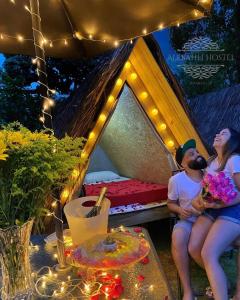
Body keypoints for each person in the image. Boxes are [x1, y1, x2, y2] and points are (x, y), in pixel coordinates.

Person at [188, 128, 240, 300]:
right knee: (194, 248)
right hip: (214, 208)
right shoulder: (212, 163)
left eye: (224, 134)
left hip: (233, 208)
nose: (218, 134)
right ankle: (222, 282)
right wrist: (199, 201)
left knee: (208, 253)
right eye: (218, 132)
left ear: (232, 141)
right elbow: (204, 191)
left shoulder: (234, 160)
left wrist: (222, 203)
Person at [167, 139, 207, 300]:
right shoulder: (176, 181)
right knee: (178, 236)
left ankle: (216, 277)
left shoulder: (211, 174)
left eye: (197, 152)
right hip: (188, 220)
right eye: (191, 154)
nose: (197, 154)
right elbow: (170, 204)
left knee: (196, 246)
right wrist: (179, 210)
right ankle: (188, 291)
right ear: (182, 164)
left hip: (209, 220)